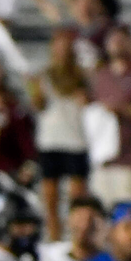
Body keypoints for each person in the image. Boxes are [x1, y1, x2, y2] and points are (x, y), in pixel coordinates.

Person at [28, 29, 89, 243]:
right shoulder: (44, 76)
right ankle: (54, 240)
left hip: (75, 141)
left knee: (77, 199)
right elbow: (38, 106)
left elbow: (88, 105)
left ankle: (77, 239)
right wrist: (33, 90)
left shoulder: (82, 76)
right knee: (50, 200)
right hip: (50, 141)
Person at [88, 24, 131, 208]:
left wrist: (122, 109)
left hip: (128, 157)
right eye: (113, 41)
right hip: (103, 159)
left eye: (121, 41)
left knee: (127, 209)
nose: (117, 45)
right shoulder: (101, 75)